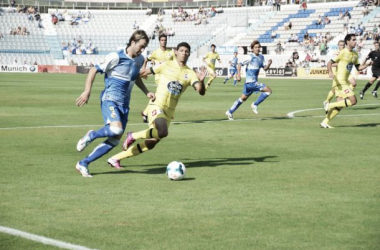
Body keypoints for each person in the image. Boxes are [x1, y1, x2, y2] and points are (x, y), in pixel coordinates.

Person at [107, 42, 207, 168]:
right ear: (176, 52)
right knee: (163, 131)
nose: (184, 53)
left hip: (168, 113)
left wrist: (202, 82)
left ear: (189, 54)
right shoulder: (166, 64)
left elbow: (201, 91)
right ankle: (133, 135)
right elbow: (143, 73)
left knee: (151, 143)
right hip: (156, 105)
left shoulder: (190, 73)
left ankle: (115, 158)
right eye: (181, 50)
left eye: (186, 51)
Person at [75, 30, 155, 177]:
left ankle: (83, 163)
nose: (142, 50)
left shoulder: (139, 59)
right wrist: (87, 91)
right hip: (110, 98)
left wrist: (146, 92)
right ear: (133, 42)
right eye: (141, 46)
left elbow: (135, 77)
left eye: (144, 47)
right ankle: (92, 135)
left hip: (124, 104)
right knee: (116, 130)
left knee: (115, 140)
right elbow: (93, 70)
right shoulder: (116, 57)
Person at [320, 34, 372, 129]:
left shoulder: (355, 54)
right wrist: (330, 72)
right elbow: (329, 63)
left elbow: (358, 67)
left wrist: (367, 65)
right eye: (353, 40)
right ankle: (329, 104)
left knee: (341, 104)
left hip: (345, 81)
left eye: (356, 40)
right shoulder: (342, 52)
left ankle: (325, 122)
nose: (355, 41)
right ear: (347, 42)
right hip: (340, 81)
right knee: (353, 100)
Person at [225, 40, 272, 120]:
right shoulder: (250, 57)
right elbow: (239, 64)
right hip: (251, 82)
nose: (257, 49)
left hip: (249, 84)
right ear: (252, 49)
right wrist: (239, 75)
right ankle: (255, 104)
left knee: (242, 98)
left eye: (258, 47)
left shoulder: (261, 57)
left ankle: (230, 111)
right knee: (268, 91)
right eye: (255, 47)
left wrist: (269, 64)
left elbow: (265, 68)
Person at [140, 33, 175, 123]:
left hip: (168, 77)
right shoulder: (155, 52)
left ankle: (145, 112)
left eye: (165, 40)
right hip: (159, 77)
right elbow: (146, 60)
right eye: (162, 40)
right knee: (163, 95)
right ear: (159, 41)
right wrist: (144, 71)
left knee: (159, 96)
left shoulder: (170, 52)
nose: (163, 42)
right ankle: (166, 113)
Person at [323, 40, 357, 111]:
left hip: (346, 71)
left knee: (354, 83)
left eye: (343, 45)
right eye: (341, 45)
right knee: (334, 90)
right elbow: (331, 64)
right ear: (338, 46)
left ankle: (347, 93)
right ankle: (327, 101)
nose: (342, 46)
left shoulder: (347, 52)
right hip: (339, 73)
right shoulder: (337, 53)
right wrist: (339, 64)